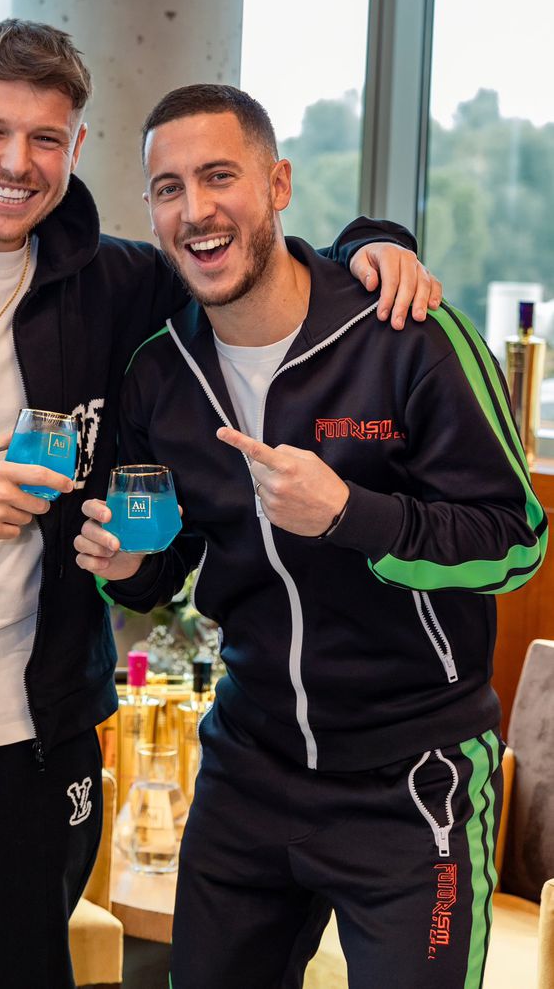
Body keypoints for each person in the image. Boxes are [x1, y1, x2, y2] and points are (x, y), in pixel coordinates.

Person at [0, 21, 437, 989]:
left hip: (35, 740)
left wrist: (370, 245)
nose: (17, 163)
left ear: (76, 146)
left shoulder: (117, 284)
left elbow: (239, 259)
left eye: (45, 138)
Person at [75, 83, 548, 989]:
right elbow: (162, 566)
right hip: (248, 768)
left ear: (279, 183)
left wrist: (349, 515)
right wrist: (128, 568)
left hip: (415, 780)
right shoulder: (160, 372)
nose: (196, 209)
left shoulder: (408, 333)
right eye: (169, 188)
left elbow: (515, 540)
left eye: (220, 176)